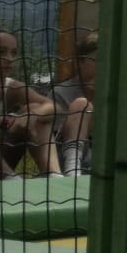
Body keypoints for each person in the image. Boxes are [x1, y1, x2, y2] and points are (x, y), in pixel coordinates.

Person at [0, 29, 60, 178]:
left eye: (14, 53)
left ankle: (53, 175)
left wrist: (33, 114)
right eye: (0, 52)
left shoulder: (12, 87)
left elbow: (54, 106)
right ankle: (10, 179)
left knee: (36, 108)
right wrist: (8, 121)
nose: (9, 58)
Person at [50, 31, 98, 176]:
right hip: (65, 158)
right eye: (97, 59)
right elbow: (54, 139)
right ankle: (72, 171)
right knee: (82, 105)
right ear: (79, 62)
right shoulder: (61, 92)